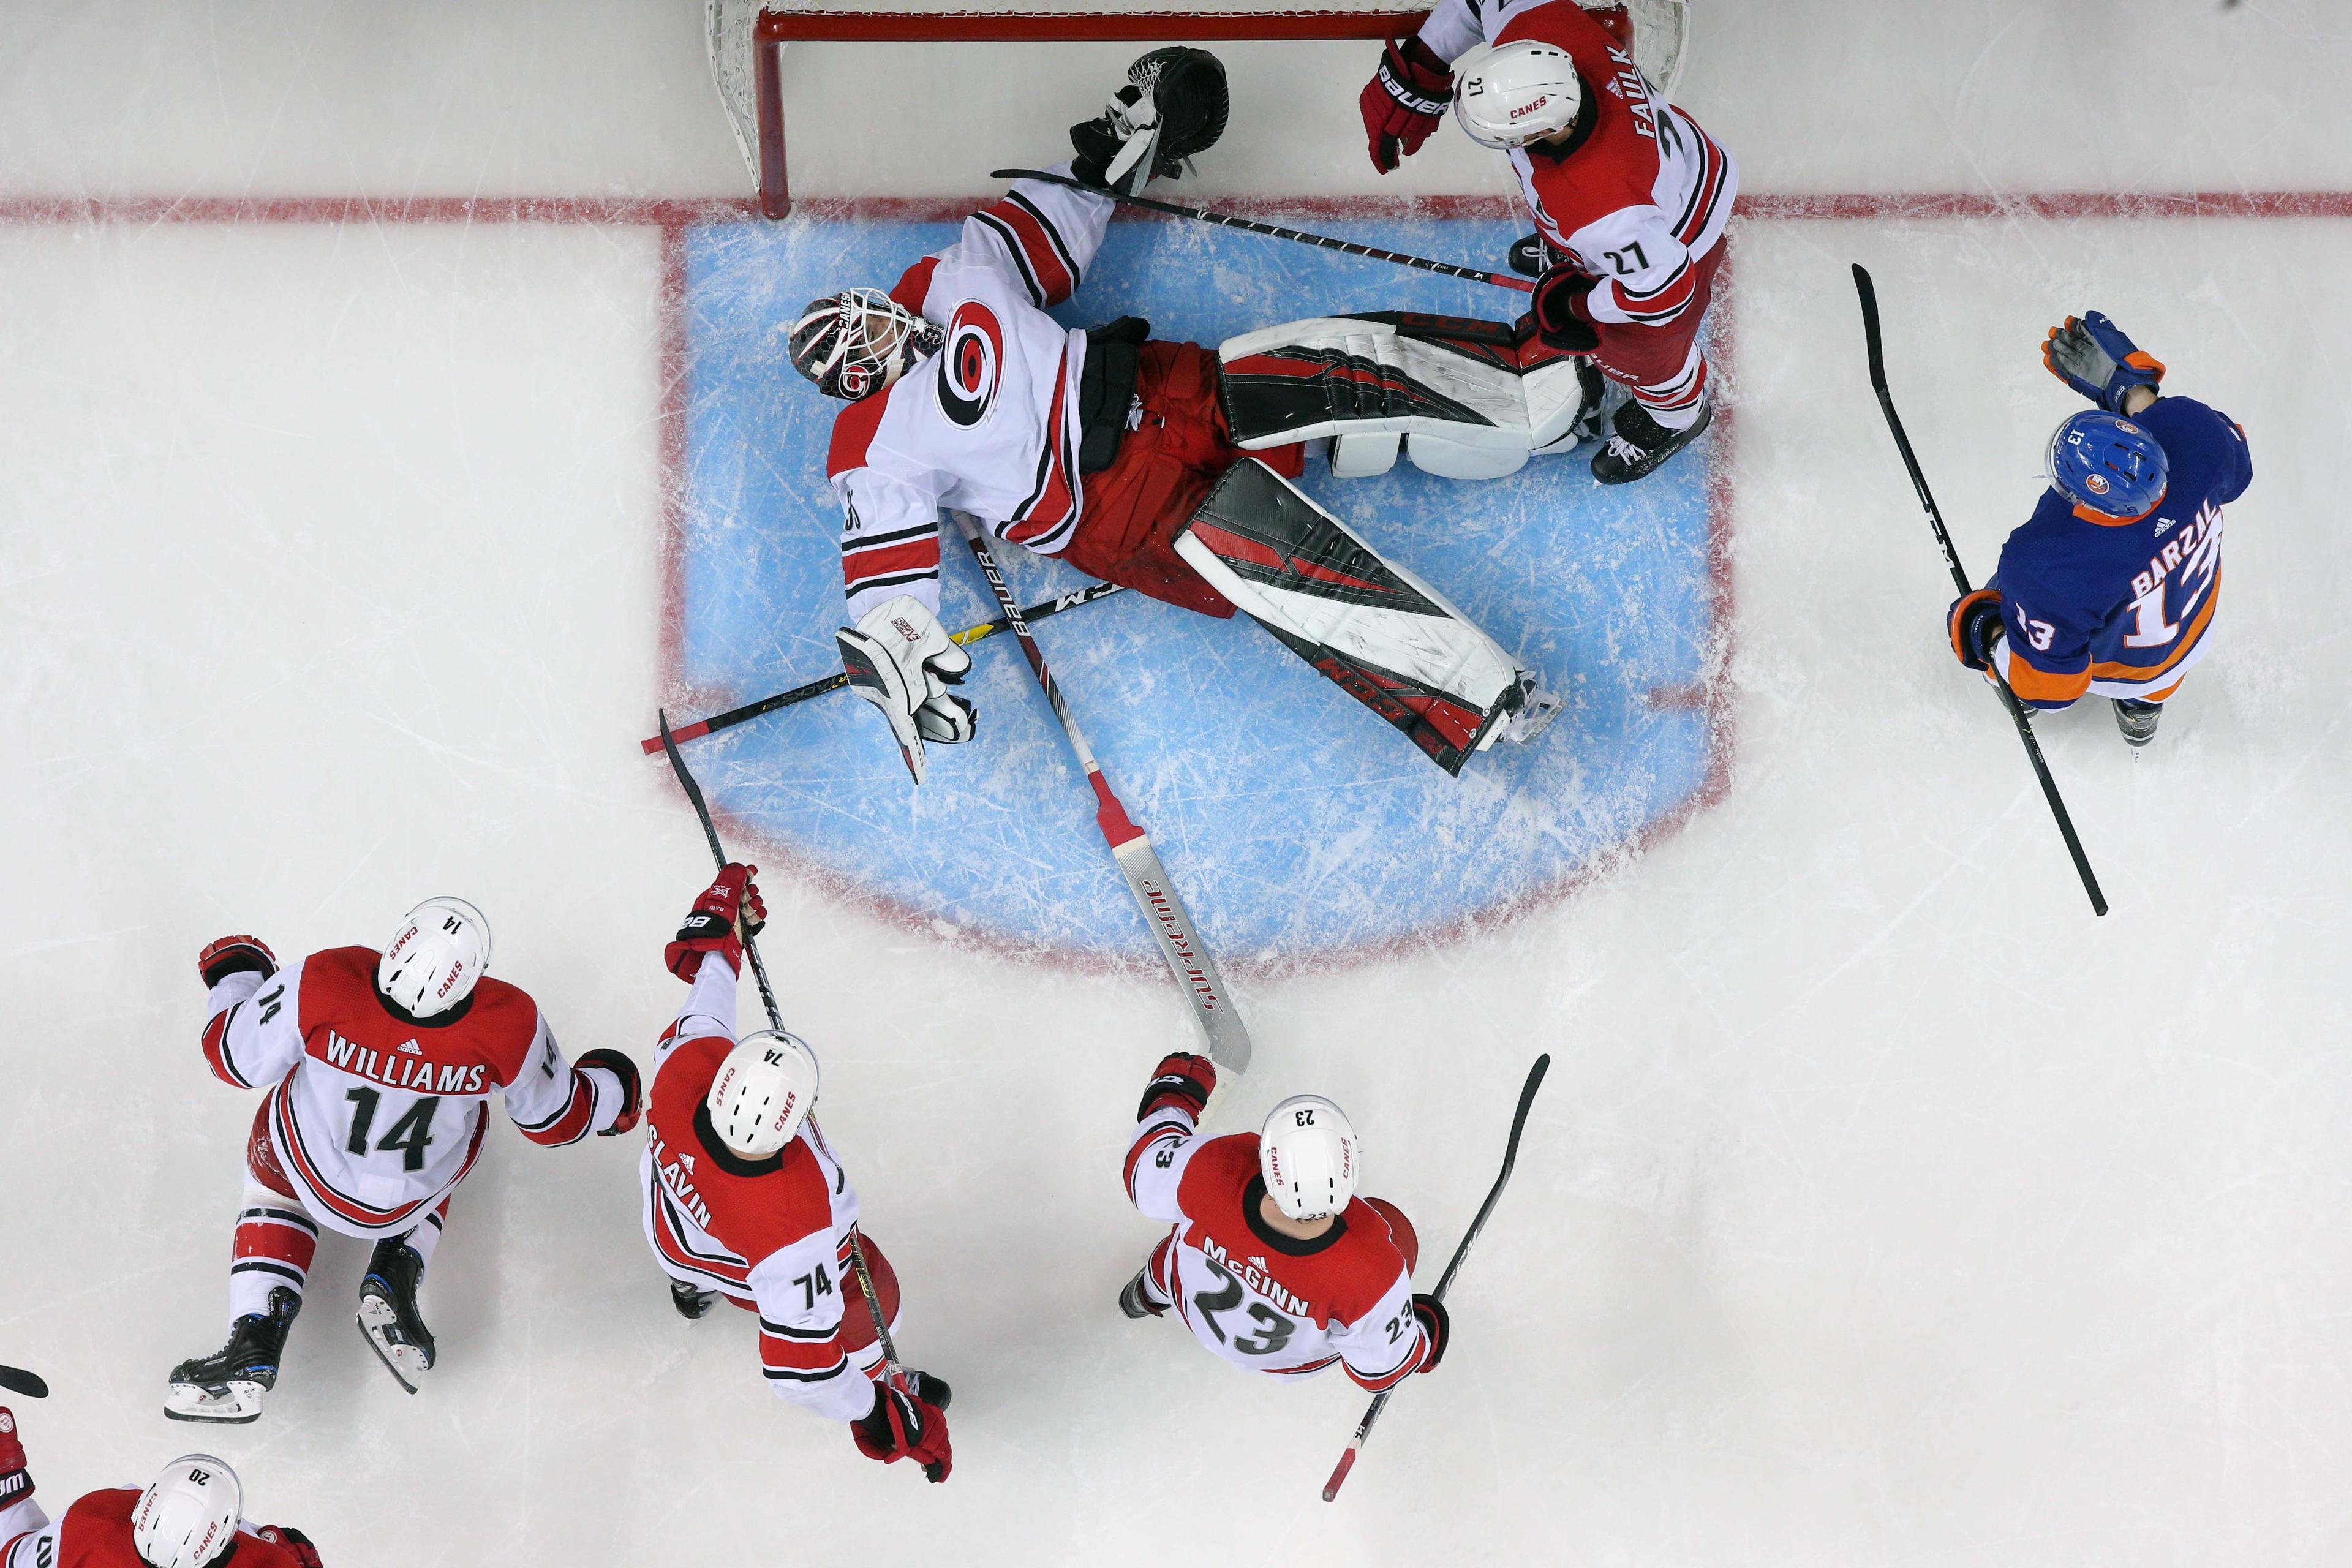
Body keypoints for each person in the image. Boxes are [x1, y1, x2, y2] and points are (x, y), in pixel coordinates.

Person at [791, 48, 1567, 783]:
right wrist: (892, 639)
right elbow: (884, 556)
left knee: (1335, 362)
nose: (888, 322)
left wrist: (1112, 145)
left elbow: (1041, 234)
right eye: (869, 339)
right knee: (1304, 570)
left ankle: (1544, 390)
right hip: (1118, 506)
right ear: (858, 376)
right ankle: (1485, 702)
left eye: (871, 311)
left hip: (1163, 385)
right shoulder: (871, 447)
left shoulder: (941, 276)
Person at [164, 900, 641, 1421]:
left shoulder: (329, 978)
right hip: (409, 1196)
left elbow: (230, 1057)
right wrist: (615, 1089)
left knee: (273, 1175)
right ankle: (397, 1267)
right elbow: (557, 1121)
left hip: (307, 1170)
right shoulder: (509, 1021)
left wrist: (236, 975)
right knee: (461, 1130)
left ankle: (254, 1334)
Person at [637, 865, 952, 1483]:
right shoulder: (798, 1218)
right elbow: (801, 1371)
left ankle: (689, 1287)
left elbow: (708, 996)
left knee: (694, 1256)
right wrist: (881, 1411)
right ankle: (880, 1371)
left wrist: (723, 931)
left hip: (671, 1230)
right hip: (752, 1262)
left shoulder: (685, 1066)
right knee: (871, 1295)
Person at [1358, 0, 1737, 482]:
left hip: (1679, 245)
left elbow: (1665, 294)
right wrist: (1423, 59)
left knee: (1637, 352)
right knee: (1587, 240)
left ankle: (1676, 416)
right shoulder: (1548, 31)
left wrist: (1580, 306)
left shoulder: (1606, 212)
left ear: (1548, 129)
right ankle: (1580, 259)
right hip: (1679, 172)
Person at [1948, 312, 2250, 747]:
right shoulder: (2196, 431)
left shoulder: (2045, 566)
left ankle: (2021, 695)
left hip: (2116, 664)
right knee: (2156, 680)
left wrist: (1989, 633)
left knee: (2006, 609)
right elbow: (2236, 471)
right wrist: (2135, 392)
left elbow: (2052, 689)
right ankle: (2141, 714)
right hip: (2191, 634)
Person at [1117, 1053, 1447, 1392]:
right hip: (1283, 1362)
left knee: (1175, 1260)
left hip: (1184, 1292)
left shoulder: (1213, 1170)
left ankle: (1143, 1296)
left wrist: (1175, 1095)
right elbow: (1382, 1372)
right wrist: (1423, 1333)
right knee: (1395, 1229)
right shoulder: (1370, 1276)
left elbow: (1143, 1167)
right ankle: (1146, 1294)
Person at [0, 1416, 322, 1568]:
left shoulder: (96, 1520)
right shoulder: (267, 1561)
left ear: (144, 1506)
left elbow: (12, 1556)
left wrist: (6, 1472)